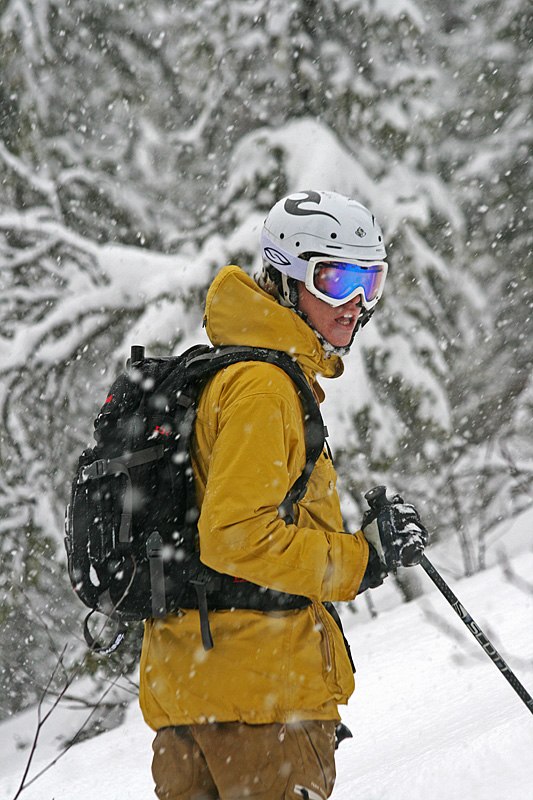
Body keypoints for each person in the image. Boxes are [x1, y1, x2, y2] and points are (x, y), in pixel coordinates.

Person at [139, 189, 428, 800]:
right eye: (336, 278)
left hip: (195, 695)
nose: (355, 304)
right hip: (260, 711)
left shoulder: (228, 372)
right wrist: (363, 559)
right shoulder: (264, 388)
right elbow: (236, 538)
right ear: (288, 274)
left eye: (370, 281)